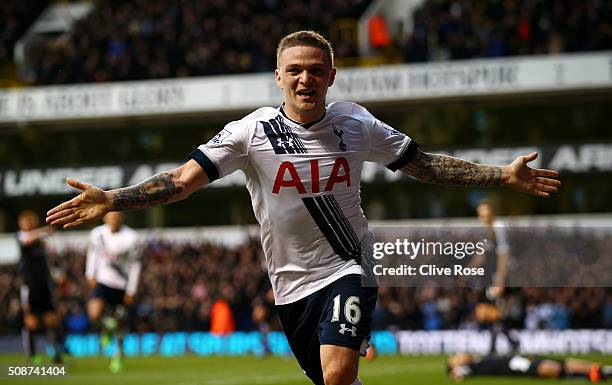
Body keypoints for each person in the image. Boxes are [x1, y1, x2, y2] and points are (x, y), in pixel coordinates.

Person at [46, 30, 561, 385]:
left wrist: (501, 175)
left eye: (315, 71)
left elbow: (422, 164)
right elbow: (182, 182)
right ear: (277, 76)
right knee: (334, 379)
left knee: (337, 376)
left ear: (331, 76)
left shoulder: (355, 123)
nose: (304, 80)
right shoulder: (251, 132)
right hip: (289, 286)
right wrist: (113, 199)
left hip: (351, 265)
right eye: (294, 70)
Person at [85, 211, 141, 373]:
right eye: (111, 216)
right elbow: (92, 254)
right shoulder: (97, 234)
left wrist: (132, 289)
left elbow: (136, 265)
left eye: (117, 216)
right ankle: (107, 328)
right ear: (105, 218)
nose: (114, 219)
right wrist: (90, 273)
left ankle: (118, 356)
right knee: (94, 313)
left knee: (121, 324)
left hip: (122, 285)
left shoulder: (132, 237)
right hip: (103, 281)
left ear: (121, 217)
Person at [16, 210, 65, 364]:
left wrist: (54, 279)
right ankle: (32, 355)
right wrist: (46, 230)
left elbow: (46, 264)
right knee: (32, 321)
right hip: (30, 286)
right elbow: (27, 239)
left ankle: (57, 354)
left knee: (52, 320)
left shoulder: (41, 244)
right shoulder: (21, 237)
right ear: (21, 224)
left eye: (31, 221)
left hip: (44, 286)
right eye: (26, 221)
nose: (29, 224)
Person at [472, 199, 520, 354]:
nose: (483, 215)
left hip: (498, 276)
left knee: (492, 311)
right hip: (488, 276)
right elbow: (480, 255)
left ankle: (493, 347)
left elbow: (504, 253)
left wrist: (500, 279)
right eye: (481, 213)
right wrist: (467, 270)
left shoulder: (498, 228)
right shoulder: (484, 232)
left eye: (486, 212)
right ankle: (511, 341)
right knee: (488, 312)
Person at [447, 352, 611, 382]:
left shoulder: (477, 359)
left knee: (562, 363)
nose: (459, 354)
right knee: (554, 368)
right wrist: (456, 371)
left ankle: (603, 370)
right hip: (517, 366)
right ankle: (593, 375)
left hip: (521, 358)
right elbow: (458, 374)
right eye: (456, 357)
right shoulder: (472, 367)